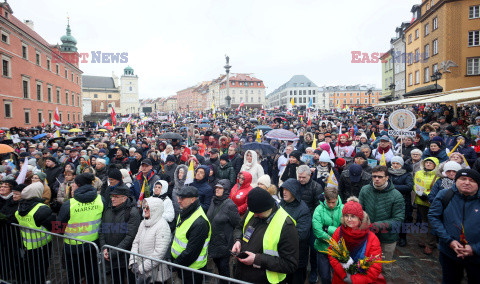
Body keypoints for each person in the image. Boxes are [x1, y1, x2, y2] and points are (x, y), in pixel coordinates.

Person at [232, 187, 299, 283]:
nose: (254, 215)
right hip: (241, 275)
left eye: (257, 213)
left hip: (264, 280)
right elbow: (239, 227)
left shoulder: (286, 226)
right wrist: (238, 240)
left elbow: (290, 264)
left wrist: (257, 259)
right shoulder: (254, 210)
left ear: (268, 208)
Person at [429, 169, 480, 284]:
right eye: (463, 179)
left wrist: (475, 248)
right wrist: (449, 241)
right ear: (456, 181)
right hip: (449, 252)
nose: (467, 182)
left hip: (477, 257)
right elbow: (434, 217)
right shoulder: (445, 194)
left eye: (472, 180)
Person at [57, 173, 106, 284]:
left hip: (73, 247)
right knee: (92, 273)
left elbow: (59, 227)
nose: (72, 184)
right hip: (93, 244)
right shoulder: (100, 199)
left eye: (74, 182)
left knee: (73, 275)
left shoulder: (69, 204)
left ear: (78, 185)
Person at [359, 165, 405, 272]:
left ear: (387, 178)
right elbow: (360, 210)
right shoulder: (365, 190)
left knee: (384, 269)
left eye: (380, 177)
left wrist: (376, 226)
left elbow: (398, 220)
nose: (377, 179)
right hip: (368, 236)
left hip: (387, 238)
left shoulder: (396, 195)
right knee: (366, 267)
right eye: (374, 176)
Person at [329, 197, 385, 284]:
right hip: (341, 279)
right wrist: (344, 275)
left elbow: (375, 266)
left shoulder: (372, 238)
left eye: (353, 216)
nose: (349, 219)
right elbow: (332, 254)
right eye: (346, 216)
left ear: (360, 218)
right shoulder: (339, 232)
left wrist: (355, 280)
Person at [99, 183, 141, 284]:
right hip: (111, 256)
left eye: (116, 197)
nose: (112, 199)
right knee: (116, 280)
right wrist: (104, 248)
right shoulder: (108, 210)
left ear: (124, 198)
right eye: (112, 196)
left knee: (131, 280)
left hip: (126, 257)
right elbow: (101, 230)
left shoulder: (132, 212)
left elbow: (130, 236)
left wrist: (113, 252)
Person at [15, 181, 55, 284]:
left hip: (28, 244)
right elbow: (55, 227)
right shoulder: (41, 209)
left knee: (32, 268)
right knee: (41, 269)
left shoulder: (20, 208)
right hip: (42, 245)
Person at [171, 186, 211, 283]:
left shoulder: (200, 222)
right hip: (182, 266)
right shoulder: (184, 211)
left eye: (182, 198)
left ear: (193, 199)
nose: (179, 201)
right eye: (178, 197)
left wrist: (175, 265)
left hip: (193, 270)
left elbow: (191, 252)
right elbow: (177, 234)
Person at [129, 197, 172, 283]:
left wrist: (141, 268)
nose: (144, 210)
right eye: (144, 207)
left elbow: (159, 253)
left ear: (155, 209)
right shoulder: (143, 222)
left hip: (157, 275)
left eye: (147, 208)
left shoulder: (163, 226)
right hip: (141, 270)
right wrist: (133, 261)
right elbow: (136, 242)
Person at [206, 179, 241, 283]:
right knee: (217, 264)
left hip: (224, 244)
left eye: (220, 188)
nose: (217, 190)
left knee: (223, 269)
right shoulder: (213, 200)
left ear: (225, 190)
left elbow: (238, 224)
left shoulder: (230, 205)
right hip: (213, 241)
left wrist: (236, 240)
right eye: (216, 187)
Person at [279, 179, 311, 284]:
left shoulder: (303, 210)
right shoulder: (280, 205)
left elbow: (301, 234)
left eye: (287, 190)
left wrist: (280, 237)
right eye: (283, 189)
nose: (284, 192)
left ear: (295, 191)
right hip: (281, 256)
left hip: (297, 257)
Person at [312, 187, 343, 284]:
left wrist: (327, 228)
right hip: (323, 249)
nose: (330, 205)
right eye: (328, 202)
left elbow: (345, 230)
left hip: (338, 250)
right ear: (324, 198)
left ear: (337, 198)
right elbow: (317, 231)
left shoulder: (343, 209)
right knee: (324, 277)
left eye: (333, 202)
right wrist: (334, 238)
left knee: (338, 276)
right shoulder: (319, 210)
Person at [413, 157, 439, 255]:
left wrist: (427, 195)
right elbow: (415, 184)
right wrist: (419, 193)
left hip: (432, 202)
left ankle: (430, 244)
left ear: (435, 165)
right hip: (420, 200)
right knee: (424, 221)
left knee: (431, 222)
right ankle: (426, 240)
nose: (428, 164)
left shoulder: (438, 176)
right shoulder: (419, 173)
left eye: (430, 163)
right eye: (426, 162)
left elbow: (437, 188)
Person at [388, 156, 414, 247]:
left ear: (401, 165)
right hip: (389, 199)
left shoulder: (406, 174)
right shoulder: (388, 173)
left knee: (403, 219)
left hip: (403, 200)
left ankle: (402, 237)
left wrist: (392, 187)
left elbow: (409, 187)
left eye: (397, 163)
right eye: (393, 163)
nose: (395, 165)